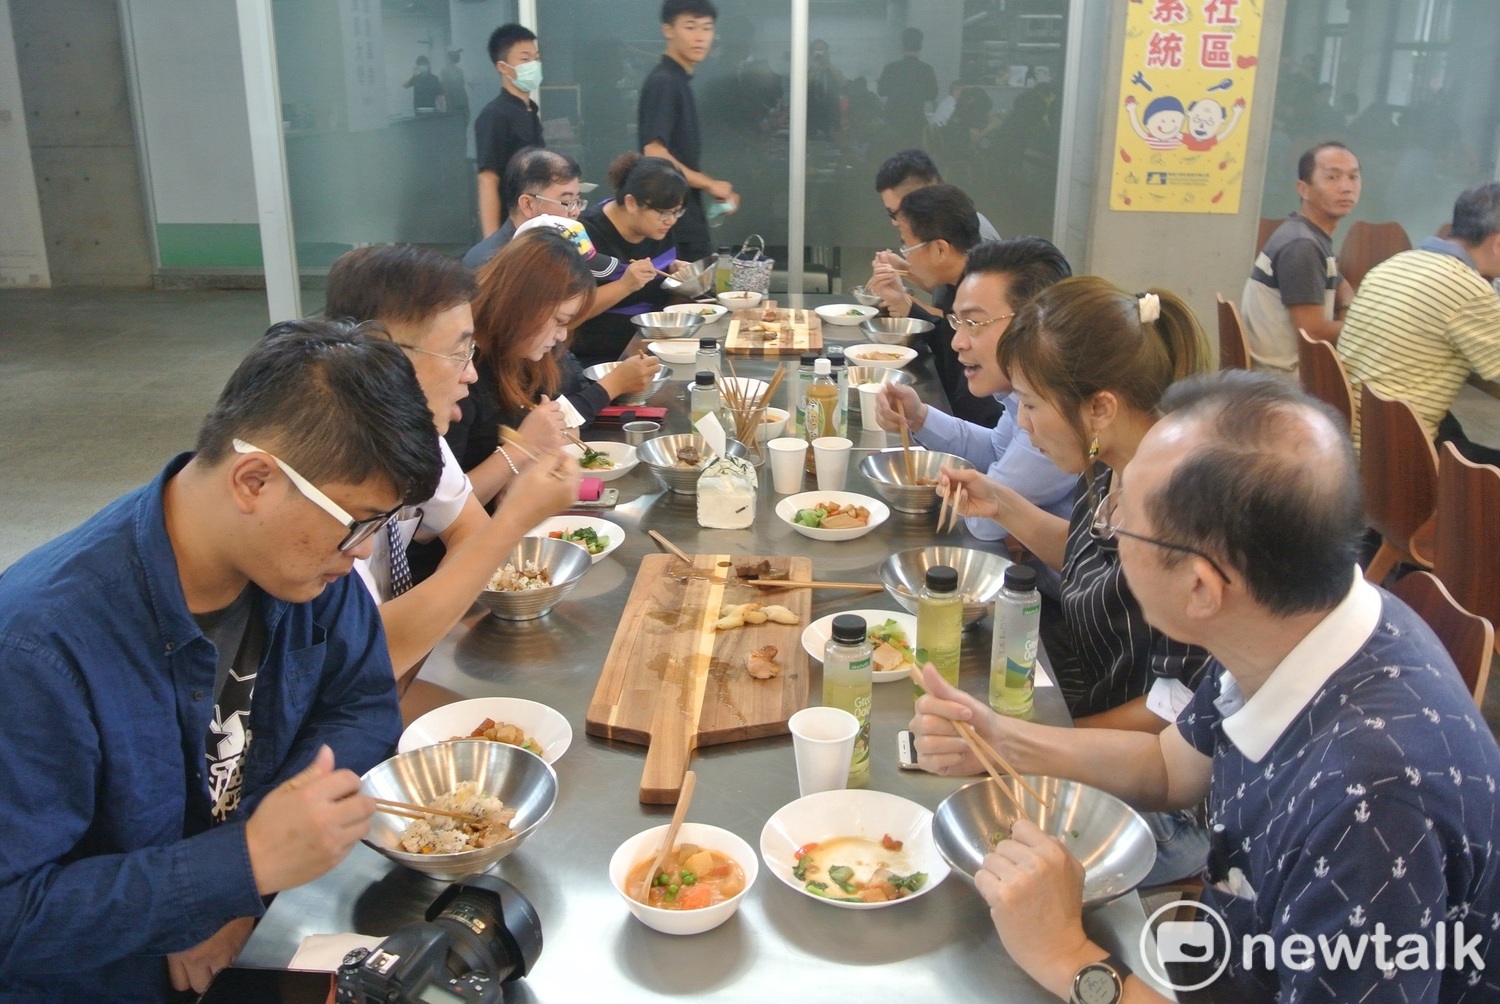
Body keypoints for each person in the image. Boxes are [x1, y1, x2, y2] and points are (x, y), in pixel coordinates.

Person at [911, 371, 1500, 1002]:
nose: (1105, 527)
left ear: (1201, 587)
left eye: (1121, 521)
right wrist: (1000, 739)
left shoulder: (1373, 801)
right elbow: (1170, 767)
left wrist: (1068, 956)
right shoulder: (1288, 621)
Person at [0, 321, 440, 1000]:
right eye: (357, 522)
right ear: (255, 480)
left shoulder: (306, 573)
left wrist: (244, 892)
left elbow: (362, 705)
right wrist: (243, 863)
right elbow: (16, 913)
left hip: (259, 930)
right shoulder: (39, 645)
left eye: (379, 527)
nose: (361, 552)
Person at [323, 245, 579, 677]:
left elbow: (469, 527)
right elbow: (370, 653)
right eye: (459, 354)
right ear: (380, 353)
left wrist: (422, 620)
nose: (471, 374)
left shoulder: (419, 430)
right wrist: (513, 520)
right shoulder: (321, 466)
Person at [873, 237, 1076, 557]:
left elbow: (985, 524)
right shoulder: (1023, 395)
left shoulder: (1061, 408)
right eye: (957, 321)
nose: (957, 343)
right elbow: (998, 448)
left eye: (975, 323)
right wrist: (920, 416)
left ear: (1036, 322)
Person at [445, 229, 612, 508]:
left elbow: (560, 426)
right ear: (522, 304)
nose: (561, 336)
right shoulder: (459, 369)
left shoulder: (529, 356)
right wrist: (522, 448)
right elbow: (433, 518)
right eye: (559, 320)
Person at [1337, 182, 1500, 464]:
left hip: (1355, 433)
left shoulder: (1397, 263)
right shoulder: (1467, 289)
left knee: (1451, 425)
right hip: (1395, 455)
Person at [866, 183, 1000, 426]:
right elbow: (947, 341)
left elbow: (977, 409)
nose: (905, 256)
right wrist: (901, 302)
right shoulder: (962, 281)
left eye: (907, 246)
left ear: (940, 249)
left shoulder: (983, 299)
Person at [1240, 142, 1360, 373]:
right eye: (1333, 177)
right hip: (1284, 381)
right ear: (1303, 189)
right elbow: (1312, 333)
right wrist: (1366, 326)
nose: (1346, 187)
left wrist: (1346, 304)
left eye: (1353, 177)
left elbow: (1338, 280)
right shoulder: (1302, 246)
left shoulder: (1305, 232)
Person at [638, 0, 738, 261]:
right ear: (668, 29)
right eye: (690, 26)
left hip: (681, 212)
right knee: (689, 301)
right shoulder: (665, 82)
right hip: (671, 219)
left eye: (706, 28)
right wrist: (710, 184)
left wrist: (711, 187)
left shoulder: (679, 80)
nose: (700, 37)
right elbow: (654, 153)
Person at [573, 152, 694, 367]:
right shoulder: (585, 235)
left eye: (677, 212)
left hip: (656, 343)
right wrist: (625, 285)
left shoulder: (659, 228)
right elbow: (570, 312)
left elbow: (664, 291)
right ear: (631, 202)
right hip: (603, 356)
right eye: (665, 213)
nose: (671, 221)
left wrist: (677, 277)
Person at [464, 147, 594, 269]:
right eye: (567, 202)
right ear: (528, 204)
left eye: (577, 201)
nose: (575, 211)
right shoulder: (490, 264)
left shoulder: (568, 245)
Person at [475, 24, 543, 237]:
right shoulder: (495, 115)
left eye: (536, 58)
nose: (533, 64)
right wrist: (492, 240)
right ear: (502, 67)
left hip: (534, 223)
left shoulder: (529, 109)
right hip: (510, 227)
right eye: (524, 59)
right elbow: (488, 180)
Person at [874, 147, 1001, 241]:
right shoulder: (929, 233)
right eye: (891, 213)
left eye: (901, 212)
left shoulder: (972, 237)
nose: (895, 223)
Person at [878, 28, 938, 143]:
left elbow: (881, 91)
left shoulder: (890, 68)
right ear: (920, 47)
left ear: (903, 47)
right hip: (915, 118)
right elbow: (933, 94)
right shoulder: (926, 69)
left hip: (892, 118)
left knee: (892, 151)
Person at [440, 49, 469, 120]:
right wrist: (449, 104)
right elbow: (445, 89)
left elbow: (462, 87)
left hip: (462, 102)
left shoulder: (459, 71)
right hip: (453, 103)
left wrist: (466, 103)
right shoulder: (445, 72)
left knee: (463, 122)